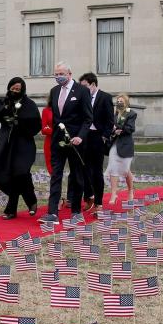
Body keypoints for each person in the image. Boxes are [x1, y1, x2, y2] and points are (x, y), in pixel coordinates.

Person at [0, 76, 42, 219]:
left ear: (22, 90)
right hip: (6, 142)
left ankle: (30, 200)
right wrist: (4, 109)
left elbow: (36, 125)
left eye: (18, 89)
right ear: (9, 87)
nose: (15, 91)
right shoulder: (2, 101)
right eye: (13, 88)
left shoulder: (29, 104)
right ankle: (13, 209)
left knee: (21, 172)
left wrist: (19, 122)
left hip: (24, 144)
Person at [46, 61, 93, 217]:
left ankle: (76, 211)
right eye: (56, 74)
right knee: (56, 175)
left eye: (61, 74)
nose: (58, 77)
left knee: (77, 175)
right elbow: (56, 117)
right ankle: (52, 212)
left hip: (76, 142)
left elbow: (88, 118)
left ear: (70, 74)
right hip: (58, 141)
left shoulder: (81, 91)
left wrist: (80, 136)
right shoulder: (54, 91)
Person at [78, 72, 114, 213]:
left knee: (96, 171)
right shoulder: (82, 98)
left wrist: (104, 136)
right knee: (84, 169)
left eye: (85, 86)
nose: (83, 89)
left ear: (93, 84)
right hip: (84, 136)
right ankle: (88, 197)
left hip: (98, 137)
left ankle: (99, 202)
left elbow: (110, 120)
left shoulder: (105, 97)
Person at [106, 94, 137, 205]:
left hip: (126, 145)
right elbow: (111, 127)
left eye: (121, 101)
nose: (119, 103)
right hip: (115, 144)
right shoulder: (115, 114)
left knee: (125, 170)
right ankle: (114, 193)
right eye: (118, 101)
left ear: (126, 103)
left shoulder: (131, 113)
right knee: (113, 167)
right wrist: (113, 131)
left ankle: (130, 191)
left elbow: (131, 128)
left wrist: (120, 129)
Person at [40, 105, 54, 176]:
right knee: (52, 169)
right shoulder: (46, 110)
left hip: (65, 140)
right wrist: (56, 131)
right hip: (50, 141)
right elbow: (44, 130)